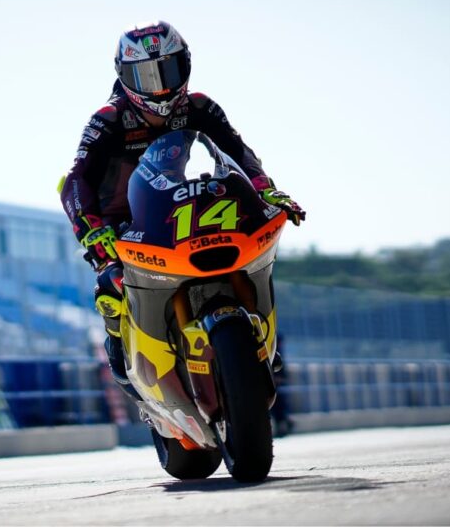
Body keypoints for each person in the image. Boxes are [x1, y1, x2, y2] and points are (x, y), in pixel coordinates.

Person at [59, 20, 305, 399]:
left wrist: (267, 192)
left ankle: (259, 340)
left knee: (247, 251)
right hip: (120, 224)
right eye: (144, 74)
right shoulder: (107, 119)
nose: (158, 85)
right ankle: (120, 352)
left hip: (180, 206)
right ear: (124, 76)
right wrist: (89, 228)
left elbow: (240, 155)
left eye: (167, 70)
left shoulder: (201, 106)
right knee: (111, 287)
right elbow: (76, 179)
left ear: (185, 65)